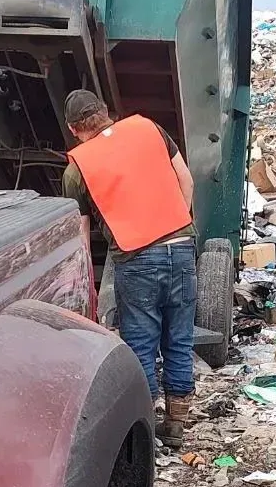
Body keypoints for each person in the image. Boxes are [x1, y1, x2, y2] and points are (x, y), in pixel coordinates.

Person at [62, 90, 197, 447]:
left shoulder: (77, 168)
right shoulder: (148, 128)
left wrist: (85, 284)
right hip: (182, 247)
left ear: (74, 129)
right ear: (107, 114)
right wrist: (175, 227)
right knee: (179, 338)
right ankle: (177, 426)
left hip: (136, 258)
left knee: (141, 343)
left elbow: (81, 233)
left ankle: (145, 429)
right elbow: (187, 180)